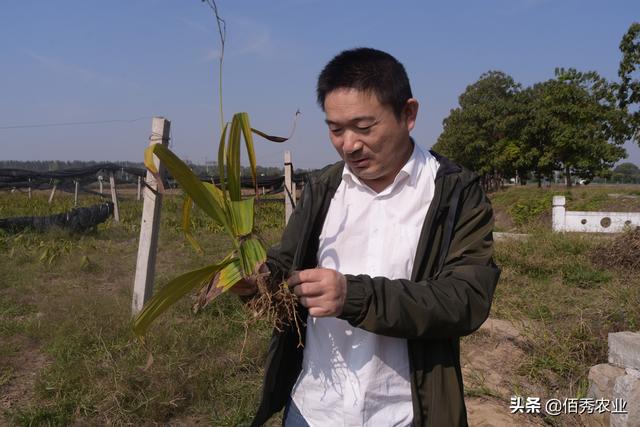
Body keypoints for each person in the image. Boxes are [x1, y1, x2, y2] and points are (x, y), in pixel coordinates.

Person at [233, 47, 500, 427]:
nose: (349, 144)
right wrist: (251, 281)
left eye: (364, 126)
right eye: (335, 129)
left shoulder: (455, 193)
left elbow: (465, 298)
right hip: (313, 408)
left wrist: (352, 296)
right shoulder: (324, 187)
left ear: (408, 114)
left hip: (403, 414)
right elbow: (283, 267)